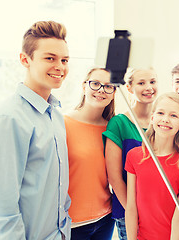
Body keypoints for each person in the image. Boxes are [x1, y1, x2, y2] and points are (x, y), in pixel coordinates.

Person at [0, 21, 71, 239]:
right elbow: (3, 205)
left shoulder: (56, 114)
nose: (60, 66)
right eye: (50, 58)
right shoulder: (9, 117)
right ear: (25, 59)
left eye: (64, 60)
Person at [125, 92, 179, 240]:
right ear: (152, 118)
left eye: (173, 116)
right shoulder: (134, 156)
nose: (165, 119)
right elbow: (131, 207)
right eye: (160, 113)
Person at [103, 68, 158, 239]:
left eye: (152, 81)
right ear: (129, 88)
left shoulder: (163, 122)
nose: (148, 87)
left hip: (158, 210)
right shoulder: (119, 123)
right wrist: (134, 211)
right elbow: (114, 178)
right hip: (129, 212)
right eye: (141, 83)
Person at [65, 68, 116, 239]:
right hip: (72, 223)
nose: (101, 90)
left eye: (109, 86)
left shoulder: (113, 129)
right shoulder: (62, 123)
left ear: (114, 93)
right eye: (95, 84)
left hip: (105, 220)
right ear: (84, 86)